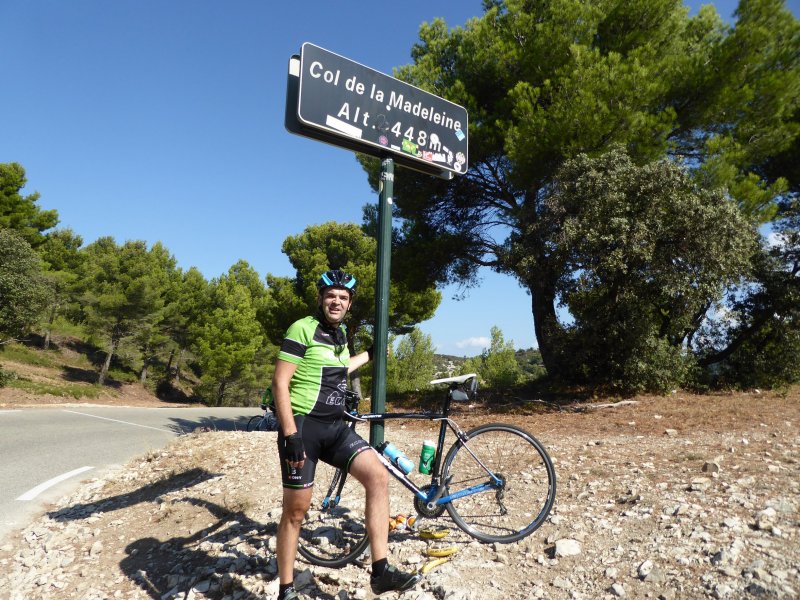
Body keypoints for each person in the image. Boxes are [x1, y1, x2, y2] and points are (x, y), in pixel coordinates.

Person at [272, 269, 420, 599]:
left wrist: (370, 354)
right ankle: (286, 589)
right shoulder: (302, 328)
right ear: (321, 299)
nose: (336, 301)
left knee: (378, 476)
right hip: (304, 428)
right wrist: (290, 433)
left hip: (335, 428)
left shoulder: (340, 336)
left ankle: (381, 572)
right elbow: (280, 381)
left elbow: (339, 368)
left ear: (349, 304)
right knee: (296, 511)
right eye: (331, 295)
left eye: (343, 297)